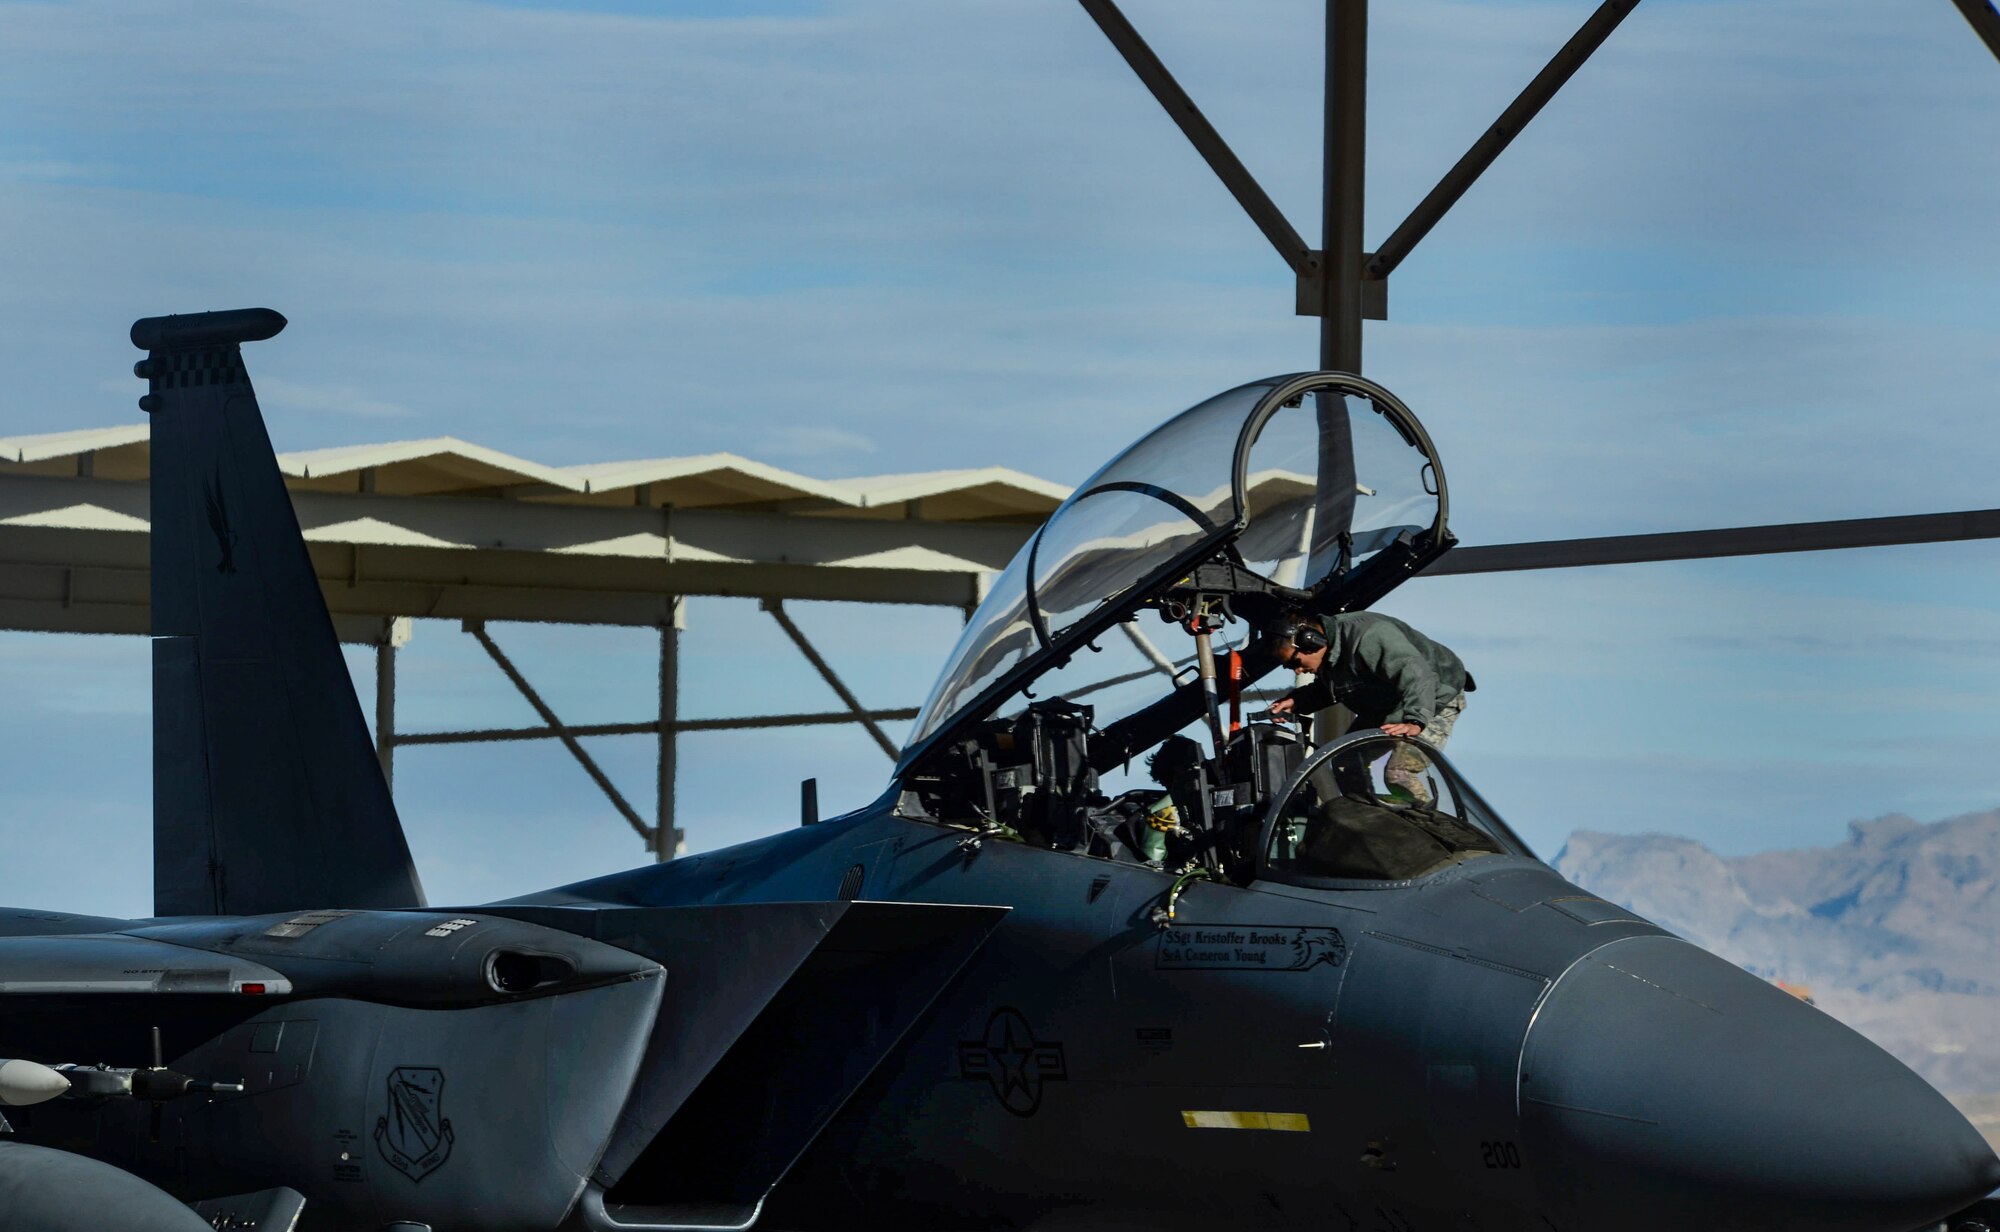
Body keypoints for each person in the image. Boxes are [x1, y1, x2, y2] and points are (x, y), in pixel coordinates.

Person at [1265, 609, 1472, 801]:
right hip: (1389, 705)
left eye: (1295, 663)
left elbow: (1415, 673)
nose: (1297, 672)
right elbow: (1335, 688)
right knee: (1347, 763)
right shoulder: (1330, 656)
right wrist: (1297, 701)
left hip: (1434, 700)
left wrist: (1416, 720)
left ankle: (1429, 829)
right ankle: (1370, 822)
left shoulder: (1369, 636)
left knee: (1399, 773)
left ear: (1312, 642)